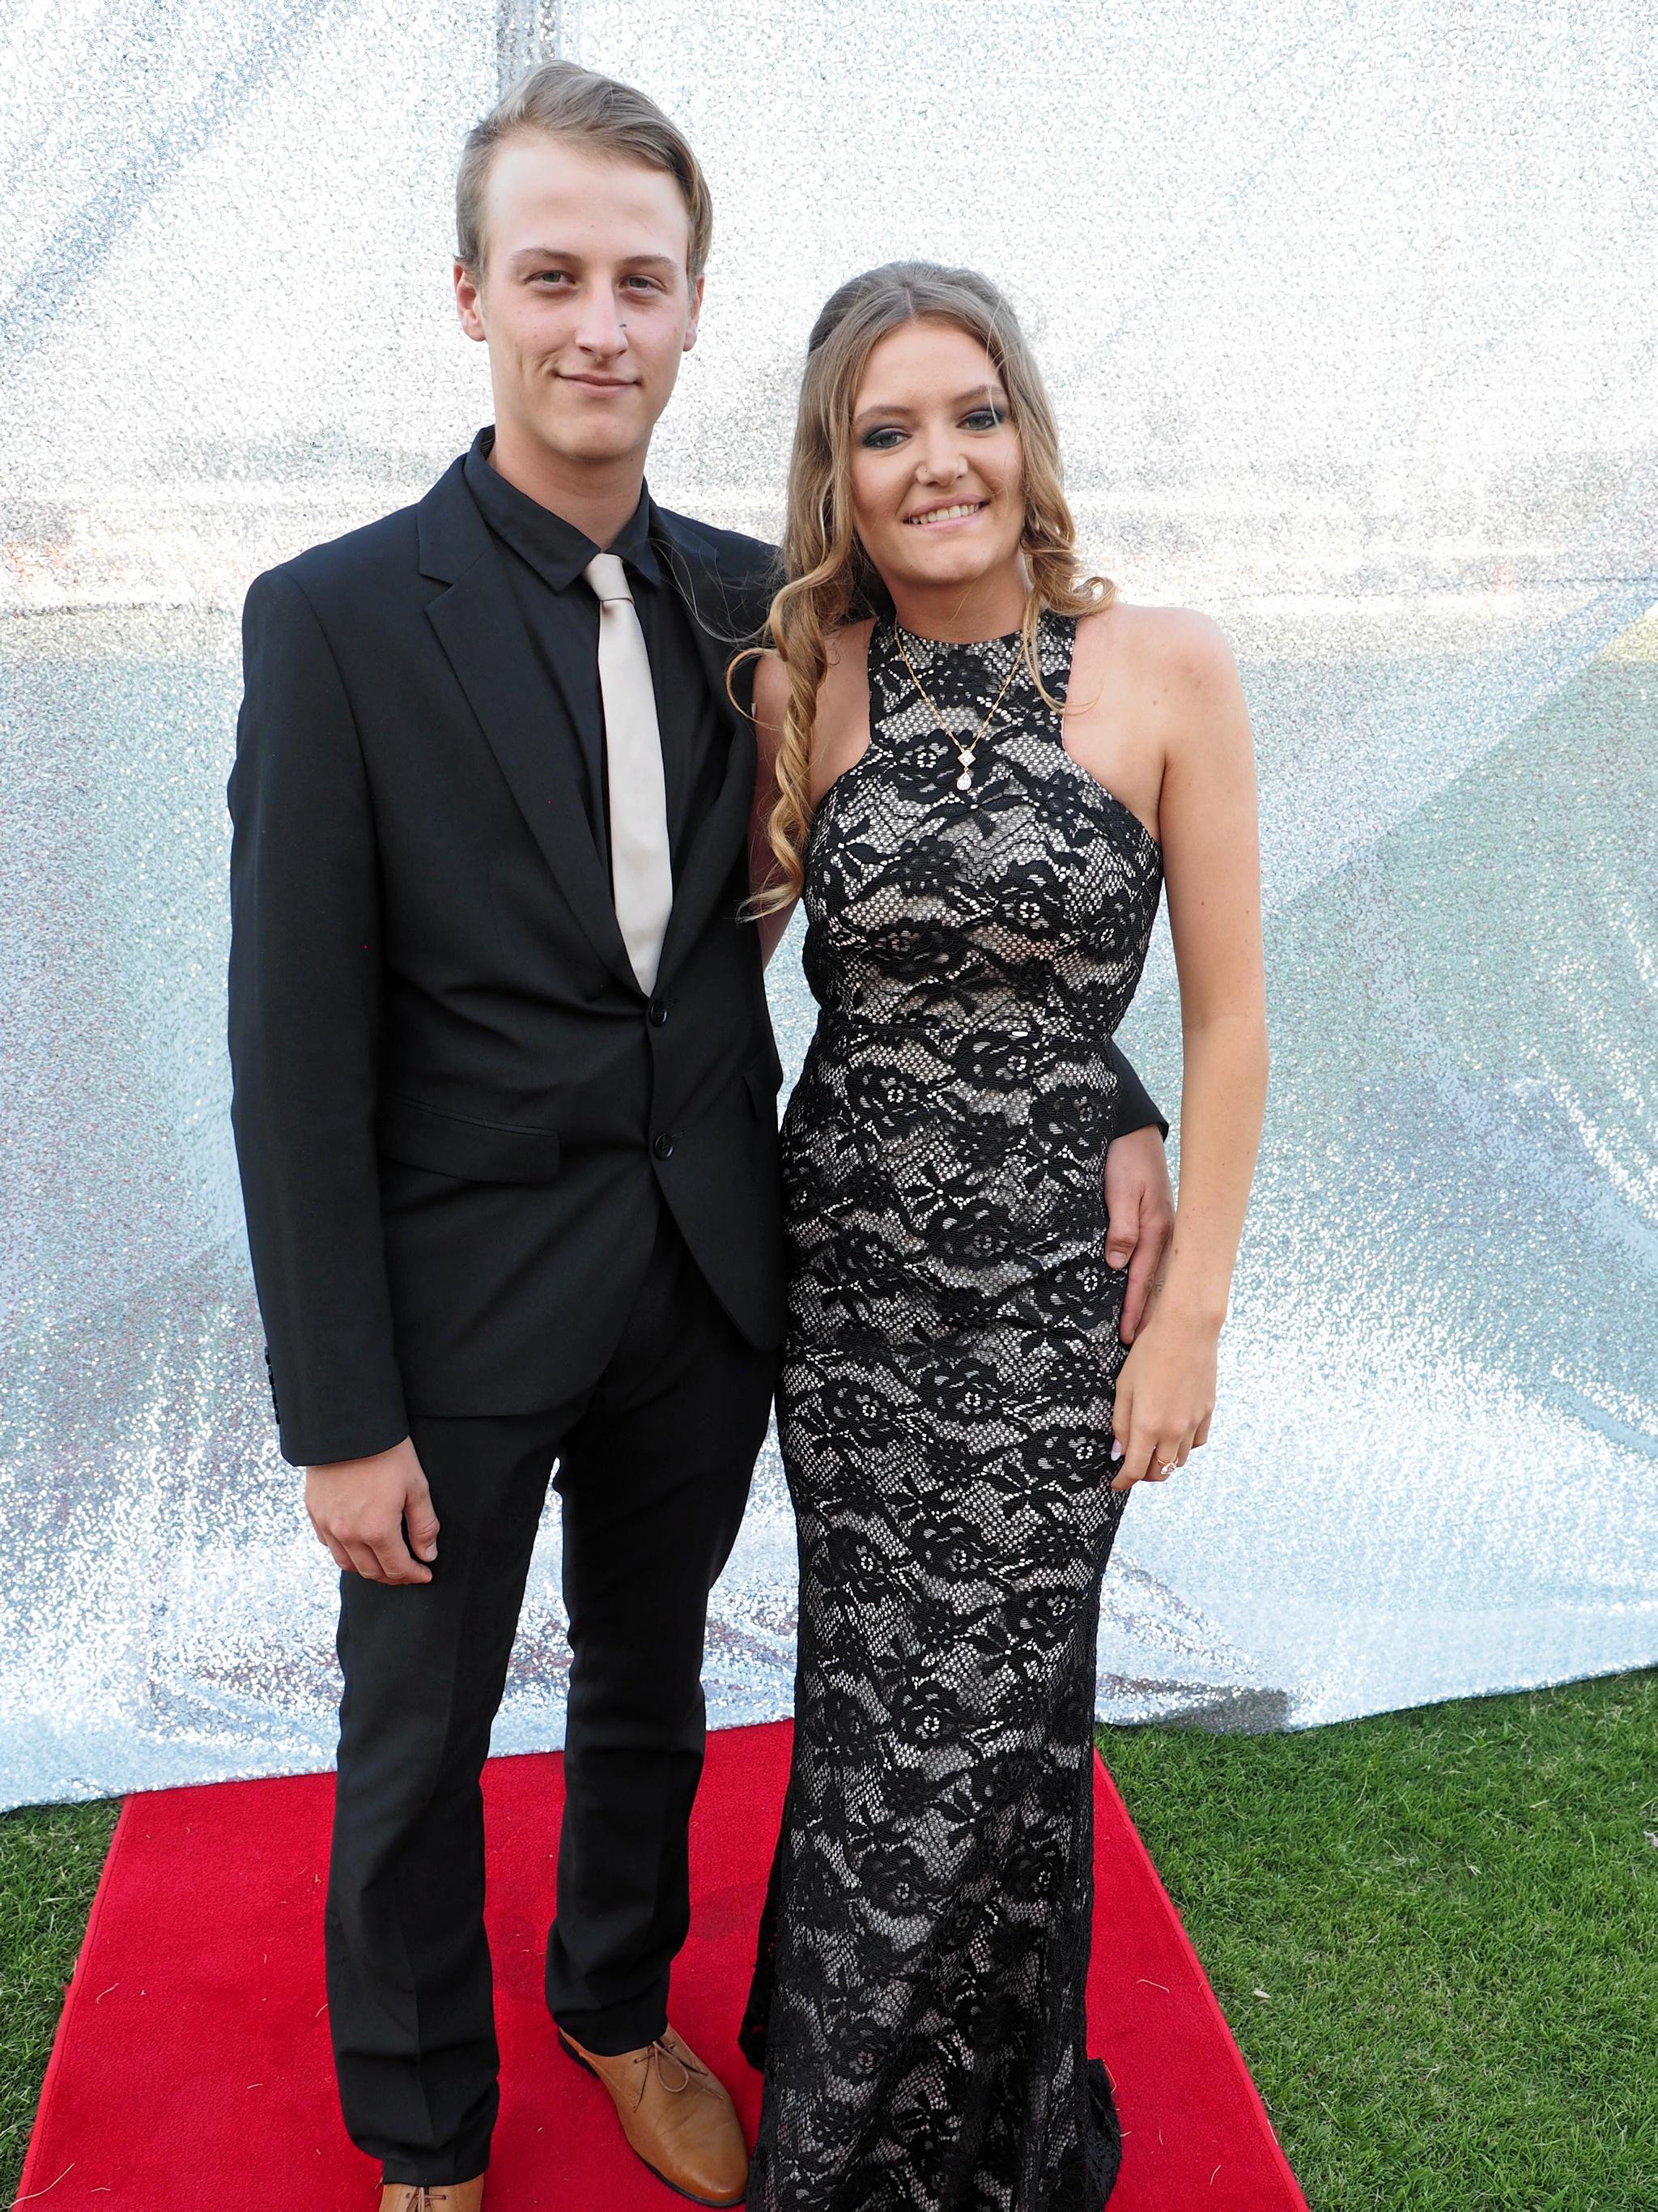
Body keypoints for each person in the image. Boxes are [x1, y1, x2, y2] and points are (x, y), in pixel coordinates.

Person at [224, 65, 1176, 2212]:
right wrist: (337, 1405)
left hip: (715, 1274)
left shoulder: (777, 607)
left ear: (690, 309)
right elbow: (287, 1053)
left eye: (639, 282)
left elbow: (946, 901)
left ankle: (617, 1999)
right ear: (473, 294)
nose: (597, 323)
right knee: (417, 1740)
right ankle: (426, 2135)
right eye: (551, 274)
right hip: (452, 1301)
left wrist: (1112, 1096)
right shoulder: (338, 620)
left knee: (652, 1685)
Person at [732, 263, 1268, 2209]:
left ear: (1025, 428)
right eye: (885, 431)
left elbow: (1227, 1021)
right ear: (838, 472)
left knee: (987, 1718)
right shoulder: (806, 681)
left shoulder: (1162, 668)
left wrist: (1186, 1312)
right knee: (902, 1713)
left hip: (1061, 1304)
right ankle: (977, 2123)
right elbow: (711, 981)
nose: (937, 459)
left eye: (969, 412)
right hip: (848, 1288)